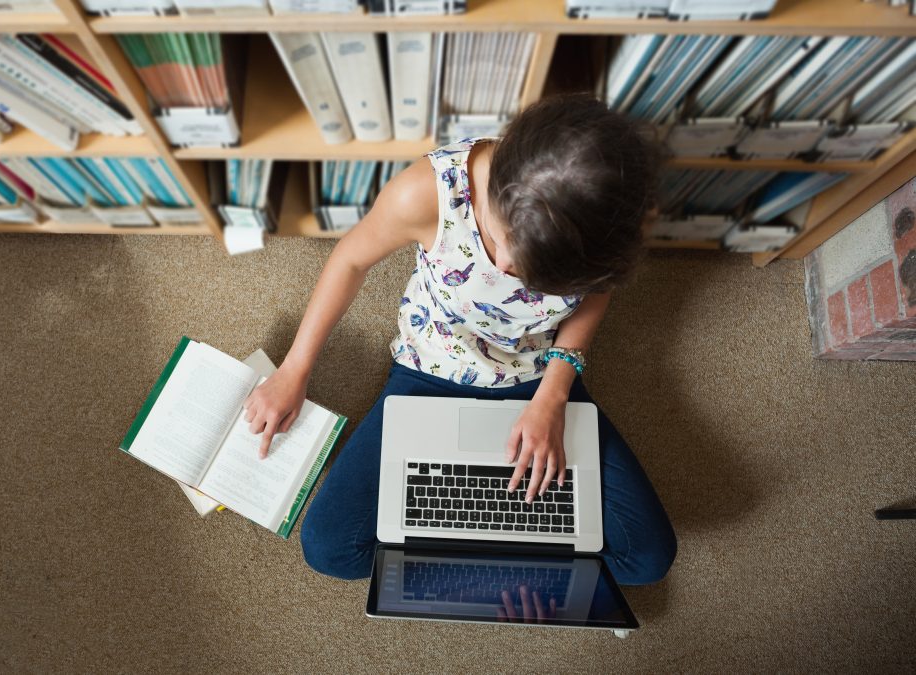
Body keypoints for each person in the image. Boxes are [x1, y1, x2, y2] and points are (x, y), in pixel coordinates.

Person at [243, 94, 677, 586]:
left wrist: (553, 396)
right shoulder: (427, 192)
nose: (510, 270)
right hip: (430, 368)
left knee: (647, 559)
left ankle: (487, 552)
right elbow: (350, 260)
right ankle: (505, 557)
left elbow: (597, 294)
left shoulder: (611, 225)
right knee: (330, 549)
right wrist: (294, 370)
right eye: (505, 243)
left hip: (540, 376)